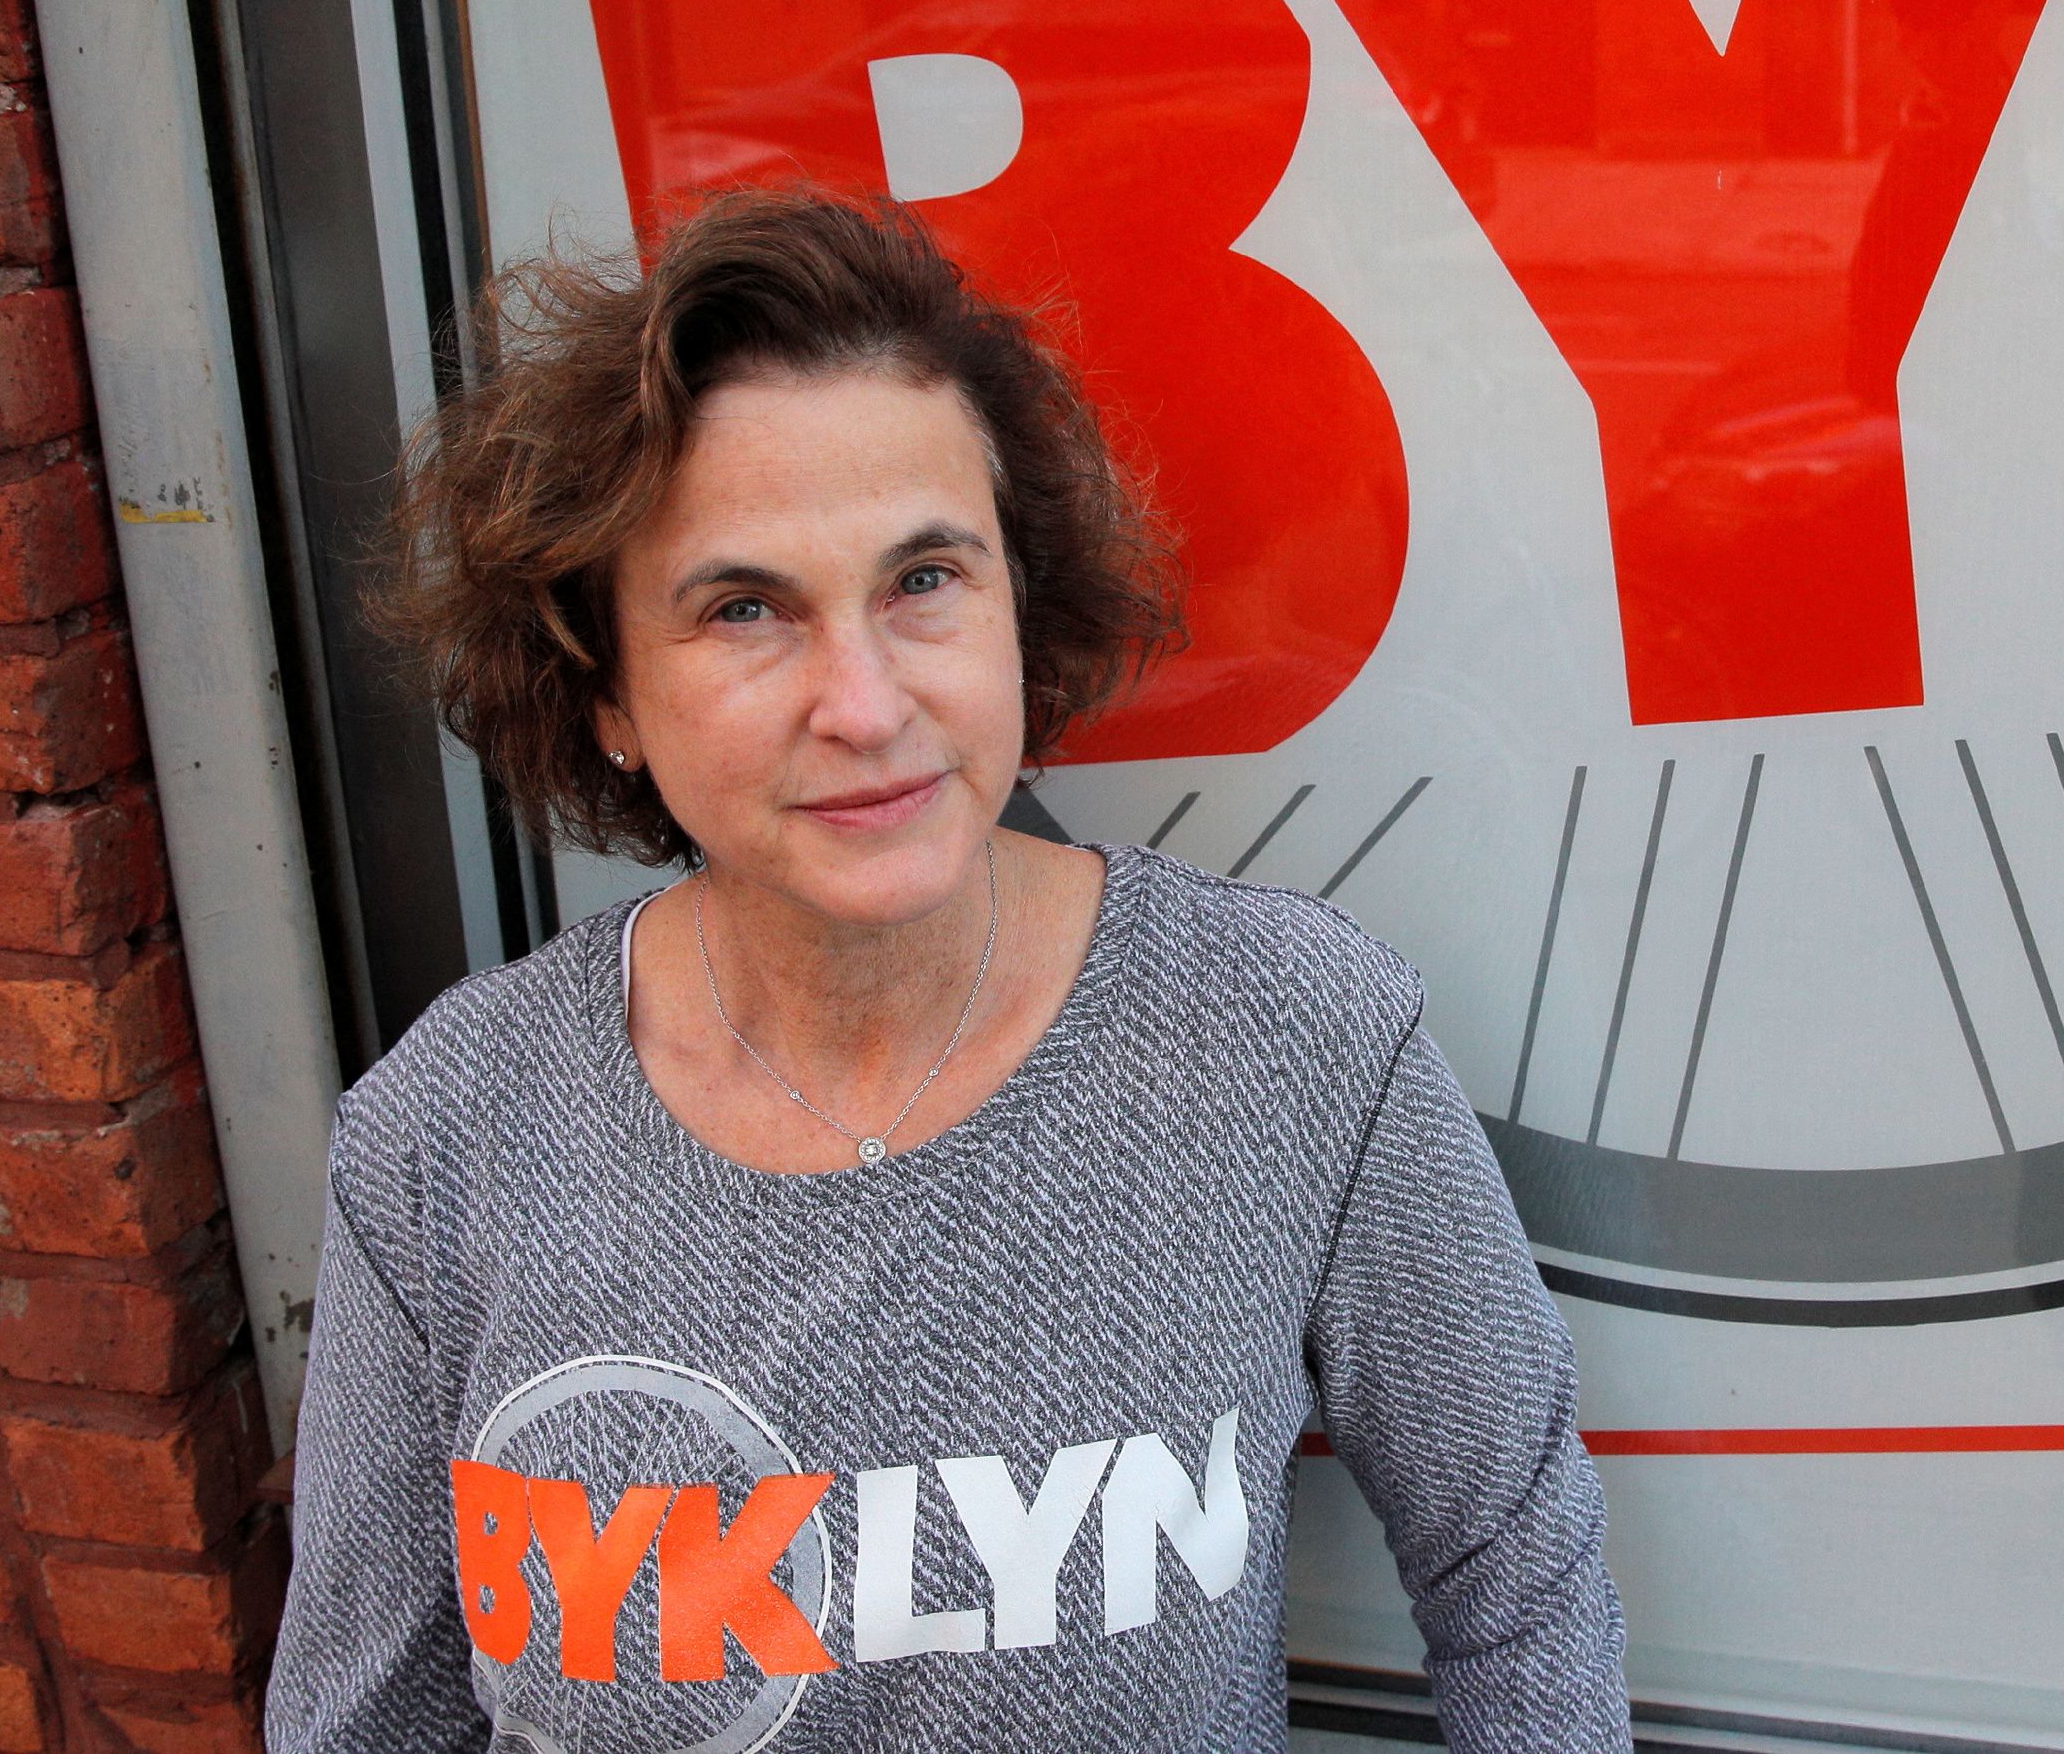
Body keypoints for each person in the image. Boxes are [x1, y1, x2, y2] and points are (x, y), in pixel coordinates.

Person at [264, 188, 1630, 1750]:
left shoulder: (1292, 1041)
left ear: (1017, 608)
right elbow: (367, 1724)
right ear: (606, 694)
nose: (864, 703)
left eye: (924, 581)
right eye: (744, 608)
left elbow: (1517, 1578)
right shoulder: (447, 1136)